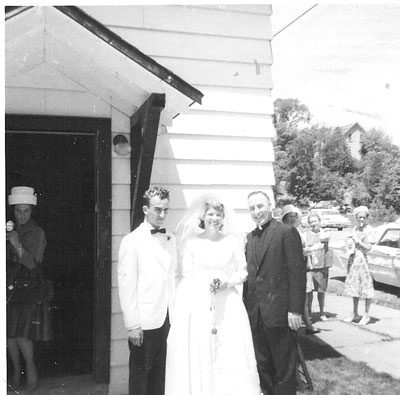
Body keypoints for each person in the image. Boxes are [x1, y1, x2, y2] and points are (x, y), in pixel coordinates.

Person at [165, 193, 262, 395]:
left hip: (228, 304)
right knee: (204, 350)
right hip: (199, 303)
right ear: (202, 216)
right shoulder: (191, 243)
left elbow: (243, 271)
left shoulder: (231, 242)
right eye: (210, 214)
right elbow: (187, 275)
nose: (214, 218)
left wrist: (227, 282)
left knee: (228, 350)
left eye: (218, 215)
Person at [245, 191, 306, 395]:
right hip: (256, 315)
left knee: (285, 370)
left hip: (280, 315)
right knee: (263, 369)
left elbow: (297, 274)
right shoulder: (250, 237)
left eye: (260, 206)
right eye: (252, 208)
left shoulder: (286, 232)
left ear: (270, 205)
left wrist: (295, 311)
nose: (256, 212)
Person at [118, 186, 177, 395]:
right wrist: (133, 324)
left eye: (166, 210)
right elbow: (126, 286)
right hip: (144, 321)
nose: (162, 215)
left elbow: (173, 277)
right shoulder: (132, 241)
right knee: (140, 377)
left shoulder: (171, 239)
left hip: (168, 318)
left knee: (161, 377)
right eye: (157, 209)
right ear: (145, 209)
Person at [6, 186, 48, 393]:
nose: (22, 215)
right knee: (8, 335)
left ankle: (31, 370)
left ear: (32, 211)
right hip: (9, 287)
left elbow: (33, 264)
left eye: (26, 211)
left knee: (22, 334)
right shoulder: (7, 229)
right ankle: (15, 371)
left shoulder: (37, 233)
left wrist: (16, 244)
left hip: (27, 286)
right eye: (17, 211)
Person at [281, 205, 320, 335]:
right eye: (289, 216)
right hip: (292, 271)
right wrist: (307, 250)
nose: (292, 219)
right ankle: (305, 325)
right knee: (298, 297)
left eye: (294, 216)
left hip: (302, 269)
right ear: (284, 218)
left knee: (304, 296)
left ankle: (306, 323)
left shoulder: (297, 232)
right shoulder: (284, 232)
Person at [343, 205, 375, 326]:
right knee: (354, 287)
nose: (361, 219)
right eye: (359, 217)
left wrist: (358, 241)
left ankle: (366, 314)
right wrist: (348, 242)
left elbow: (368, 247)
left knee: (365, 287)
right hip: (353, 260)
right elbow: (351, 243)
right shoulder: (355, 229)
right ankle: (355, 313)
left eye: (363, 217)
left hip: (363, 261)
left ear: (367, 217)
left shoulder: (370, 230)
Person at [303, 213, 331, 323]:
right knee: (308, 292)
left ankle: (322, 312)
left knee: (321, 291)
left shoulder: (325, 234)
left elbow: (323, 246)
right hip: (310, 266)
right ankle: (308, 312)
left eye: (315, 221)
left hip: (322, 265)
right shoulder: (305, 235)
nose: (314, 223)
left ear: (319, 221)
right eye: (311, 222)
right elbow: (305, 248)